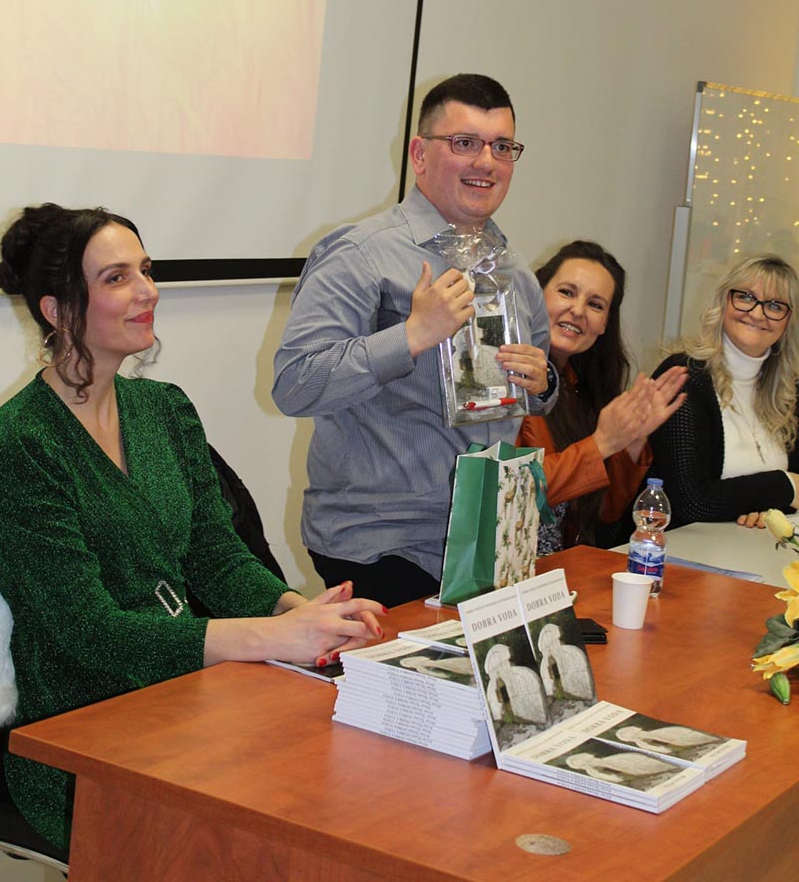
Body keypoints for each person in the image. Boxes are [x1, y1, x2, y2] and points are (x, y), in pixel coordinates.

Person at [0, 203, 384, 854]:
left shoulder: (164, 408)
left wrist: (301, 612)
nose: (148, 291)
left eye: (146, 270)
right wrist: (271, 637)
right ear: (57, 310)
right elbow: (89, 634)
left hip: (187, 696)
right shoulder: (21, 443)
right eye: (117, 278)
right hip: (80, 731)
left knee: (331, 794)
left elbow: (216, 557)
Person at [272, 74, 558, 606]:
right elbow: (295, 384)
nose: (487, 162)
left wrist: (544, 383)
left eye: (502, 147)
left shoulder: (514, 271)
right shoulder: (361, 254)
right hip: (385, 545)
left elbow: (534, 393)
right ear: (419, 155)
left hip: (491, 541)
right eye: (465, 143)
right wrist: (410, 336)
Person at [517, 241, 687, 552]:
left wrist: (633, 438)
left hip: (563, 567)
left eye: (595, 305)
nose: (578, 310)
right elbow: (514, 492)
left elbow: (605, 511)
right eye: (566, 292)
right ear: (536, 294)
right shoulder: (507, 373)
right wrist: (601, 445)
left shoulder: (580, 385)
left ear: (605, 323)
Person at [648, 253, 799, 529]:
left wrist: (767, 510)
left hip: (750, 546)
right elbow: (690, 502)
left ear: (788, 321)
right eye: (746, 297)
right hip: (674, 549)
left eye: (775, 305)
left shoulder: (790, 391)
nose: (757, 313)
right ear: (723, 301)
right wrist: (784, 485)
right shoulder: (684, 376)